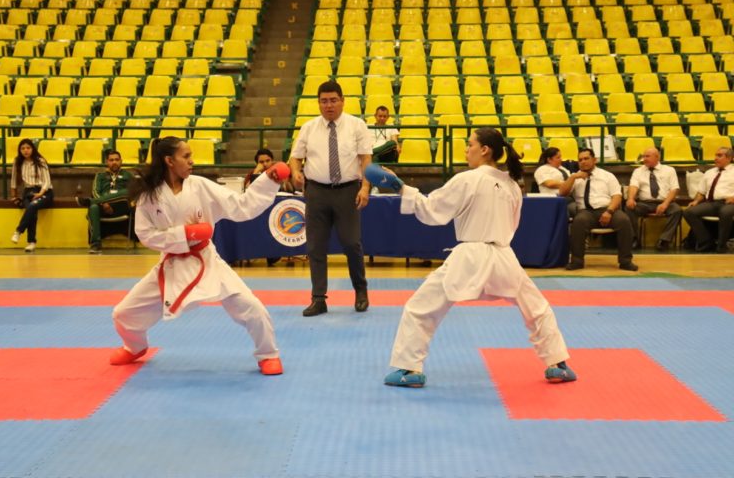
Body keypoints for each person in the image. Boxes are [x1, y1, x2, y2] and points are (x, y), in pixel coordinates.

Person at [376, 127, 575, 387]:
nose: (465, 150)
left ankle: (408, 369)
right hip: (504, 254)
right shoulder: (512, 185)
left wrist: (401, 188)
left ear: (485, 150)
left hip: (471, 255)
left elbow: (433, 210)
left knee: (420, 308)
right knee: (537, 308)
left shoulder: (468, 179)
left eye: (470, 144)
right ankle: (557, 364)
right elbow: (513, 225)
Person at [109, 136, 285, 376]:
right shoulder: (148, 195)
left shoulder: (200, 186)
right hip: (171, 263)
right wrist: (185, 234)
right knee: (123, 313)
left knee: (251, 306)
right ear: (169, 161)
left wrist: (269, 180)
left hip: (206, 259)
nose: (192, 161)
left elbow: (242, 206)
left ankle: (268, 354)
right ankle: (135, 346)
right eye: (186, 156)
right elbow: (145, 234)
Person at [288, 80, 373, 317]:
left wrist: (365, 188)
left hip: (348, 190)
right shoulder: (308, 127)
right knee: (315, 246)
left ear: (342, 101)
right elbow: (295, 157)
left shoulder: (357, 125)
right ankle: (318, 299)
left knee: (351, 243)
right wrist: (295, 171)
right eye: (324, 101)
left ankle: (361, 291)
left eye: (333, 100)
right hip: (316, 192)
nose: (329, 105)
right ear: (318, 103)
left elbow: (366, 159)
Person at [559, 148, 638, 271]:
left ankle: (625, 261)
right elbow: (562, 193)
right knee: (578, 222)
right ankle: (577, 261)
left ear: (594, 160)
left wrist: (609, 211)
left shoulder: (607, 176)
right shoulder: (574, 177)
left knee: (624, 221)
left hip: (608, 209)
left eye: (586, 158)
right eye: (580, 160)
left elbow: (617, 196)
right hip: (586, 212)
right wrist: (573, 177)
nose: (583, 162)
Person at [76, 149, 135, 253]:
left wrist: (98, 201)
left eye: (117, 159)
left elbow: (133, 193)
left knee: (125, 192)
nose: (114, 162)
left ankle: (90, 201)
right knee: (93, 208)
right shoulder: (100, 176)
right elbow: (95, 191)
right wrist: (103, 203)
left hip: (121, 206)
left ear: (121, 161)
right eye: (111, 160)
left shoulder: (128, 175)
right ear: (107, 162)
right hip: (103, 206)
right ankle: (95, 244)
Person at [625, 147, 682, 251]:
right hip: (645, 203)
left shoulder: (669, 170)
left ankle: (664, 240)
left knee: (677, 210)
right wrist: (631, 198)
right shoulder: (638, 171)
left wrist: (665, 204)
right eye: (643, 156)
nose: (644, 159)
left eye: (647, 156)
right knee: (629, 208)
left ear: (657, 157)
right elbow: (633, 186)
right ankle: (634, 239)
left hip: (665, 202)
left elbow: (674, 189)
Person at [683, 147, 734, 253]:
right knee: (689, 212)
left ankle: (721, 245)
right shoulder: (709, 172)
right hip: (711, 203)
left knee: (725, 212)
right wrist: (696, 201)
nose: (715, 158)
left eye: (719, 156)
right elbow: (701, 191)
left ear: (729, 158)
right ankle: (706, 241)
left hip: (729, 203)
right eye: (715, 155)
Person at [9, 138, 54, 253]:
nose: (25, 151)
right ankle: (31, 242)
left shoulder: (40, 161)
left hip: (45, 191)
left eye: (28, 148)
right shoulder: (17, 162)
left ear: (33, 149)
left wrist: (40, 193)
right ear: (20, 150)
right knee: (31, 210)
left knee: (32, 206)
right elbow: (13, 180)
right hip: (28, 191)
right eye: (23, 148)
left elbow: (47, 181)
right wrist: (14, 196)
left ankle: (18, 231)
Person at [533, 146, 576, 217]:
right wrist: (569, 182)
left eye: (560, 157)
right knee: (564, 213)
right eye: (558, 157)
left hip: (569, 199)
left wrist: (571, 181)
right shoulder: (542, 169)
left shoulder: (563, 169)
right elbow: (549, 183)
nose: (561, 159)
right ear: (549, 159)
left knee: (580, 210)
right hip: (552, 200)